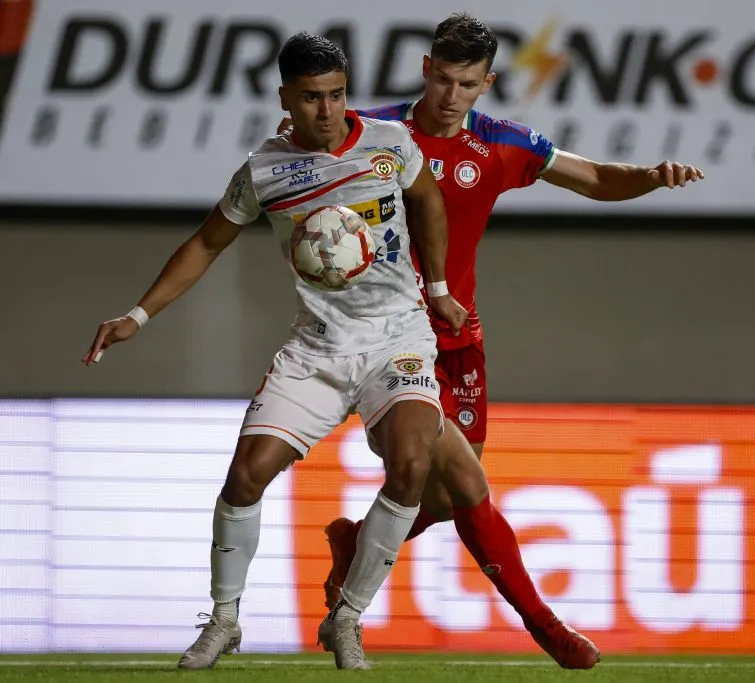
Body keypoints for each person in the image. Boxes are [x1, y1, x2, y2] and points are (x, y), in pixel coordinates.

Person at [301, 12, 703, 667]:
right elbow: (296, 168)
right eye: (443, 79)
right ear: (426, 69)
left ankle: (356, 542)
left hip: (459, 341)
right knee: (466, 478)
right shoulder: (368, 133)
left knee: (446, 493)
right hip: (383, 341)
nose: (450, 95)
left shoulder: (502, 145)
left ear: (485, 84)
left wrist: (653, 175)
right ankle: (548, 628)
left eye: (467, 83)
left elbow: (596, 178)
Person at [82, 32, 468, 671]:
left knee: (410, 465)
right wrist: (138, 315)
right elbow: (205, 244)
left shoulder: (390, 145)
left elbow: (427, 199)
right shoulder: (263, 171)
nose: (329, 111)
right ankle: (225, 620)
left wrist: (439, 288)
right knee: (244, 478)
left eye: (338, 95)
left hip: (397, 338)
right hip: (315, 349)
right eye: (313, 98)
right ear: (286, 97)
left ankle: (346, 619)